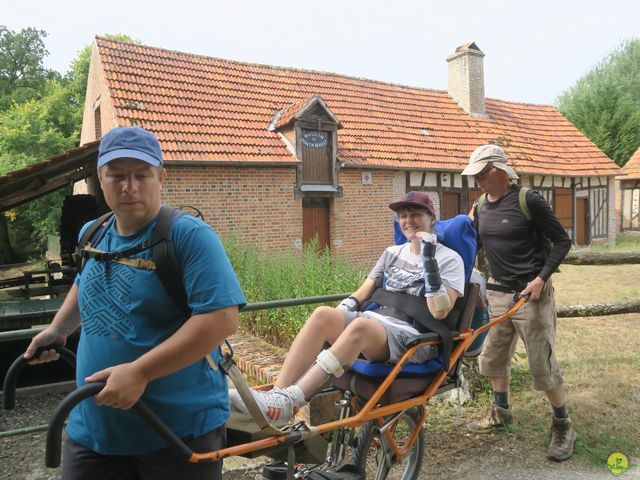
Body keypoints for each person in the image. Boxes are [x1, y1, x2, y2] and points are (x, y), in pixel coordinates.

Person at [24, 126, 246, 479]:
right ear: (101, 177)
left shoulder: (189, 237)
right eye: (117, 176)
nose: (129, 187)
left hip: (175, 432)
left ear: (161, 177)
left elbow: (220, 319)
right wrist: (58, 329)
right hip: (94, 428)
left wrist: (140, 372)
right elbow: (86, 284)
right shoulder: (92, 233)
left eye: (141, 175)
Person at [229, 191, 465, 426]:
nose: (408, 221)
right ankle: (277, 399)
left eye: (415, 214)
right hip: (377, 323)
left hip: (415, 337)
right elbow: (362, 293)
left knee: (361, 325)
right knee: (322, 314)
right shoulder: (392, 253)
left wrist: (429, 260)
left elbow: (440, 312)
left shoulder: (450, 259)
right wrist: (341, 314)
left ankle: (293, 400)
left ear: (432, 219)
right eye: (402, 216)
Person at [461, 144, 575, 462]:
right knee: (494, 355)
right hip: (497, 294)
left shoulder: (528, 201)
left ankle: (563, 425)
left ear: (498, 171)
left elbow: (563, 240)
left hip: (532, 294)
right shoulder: (481, 205)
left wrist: (540, 279)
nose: (477, 181)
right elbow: (477, 244)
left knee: (542, 362)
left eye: (481, 175)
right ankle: (501, 411)